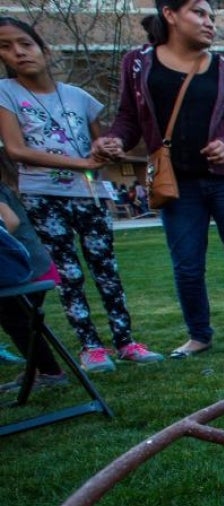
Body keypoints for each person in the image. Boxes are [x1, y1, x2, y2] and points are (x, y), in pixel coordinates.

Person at [95, 0, 224, 357]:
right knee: (187, 265)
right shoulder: (138, 65)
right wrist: (115, 139)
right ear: (170, 14)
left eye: (212, 16)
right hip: (176, 182)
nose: (209, 22)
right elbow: (129, 119)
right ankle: (199, 335)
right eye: (199, 13)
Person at [0, 16, 163, 372]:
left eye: (25, 44)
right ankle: (91, 346)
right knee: (69, 273)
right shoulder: (5, 94)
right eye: (6, 47)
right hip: (43, 195)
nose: (18, 53)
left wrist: (107, 152)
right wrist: (82, 162)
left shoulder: (80, 98)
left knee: (106, 269)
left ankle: (125, 341)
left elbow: (98, 149)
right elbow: (15, 149)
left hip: (87, 193)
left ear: (43, 49)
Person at [0, 154, 66, 392]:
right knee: (23, 323)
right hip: (34, 266)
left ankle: (49, 372)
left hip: (24, 271)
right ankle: (44, 370)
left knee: (18, 322)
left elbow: (10, 221)